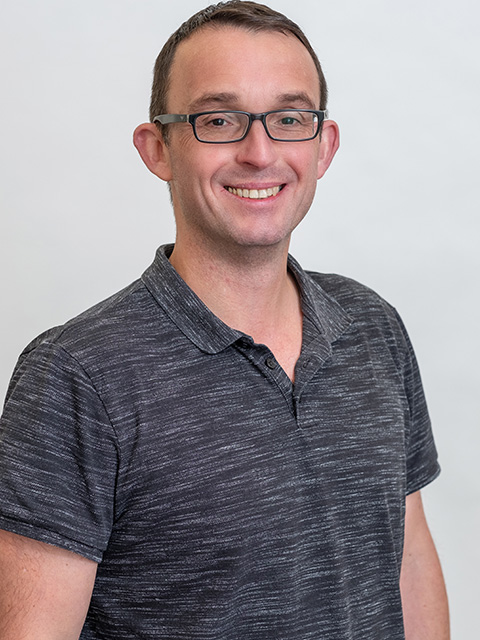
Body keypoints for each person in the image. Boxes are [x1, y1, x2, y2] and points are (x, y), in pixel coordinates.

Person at [0, 2, 449, 638]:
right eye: (218, 120)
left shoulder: (372, 328)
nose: (260, 153)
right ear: (158, 148)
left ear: (324, 146)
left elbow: (407, 560)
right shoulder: (75, 376)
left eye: (289, 119)